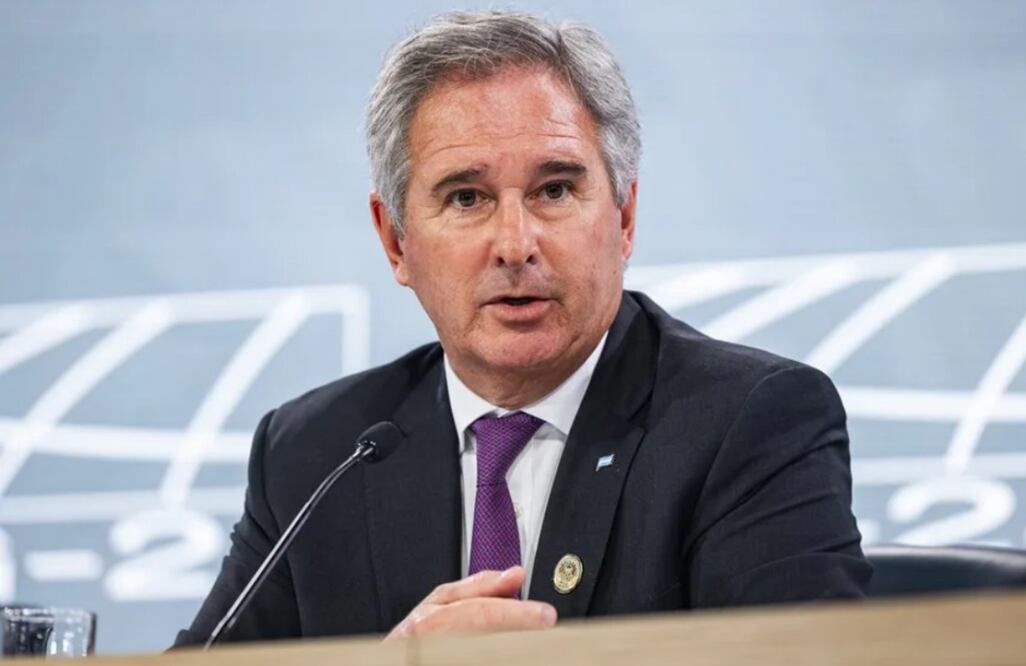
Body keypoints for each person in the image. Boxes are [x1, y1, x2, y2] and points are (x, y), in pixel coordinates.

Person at [174, 10, 870, 647]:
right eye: (466, 197)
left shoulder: (750, 423)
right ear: (395, 242)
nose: (515, 242)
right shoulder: (315, 453)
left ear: (623, 218)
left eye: (555, 189)